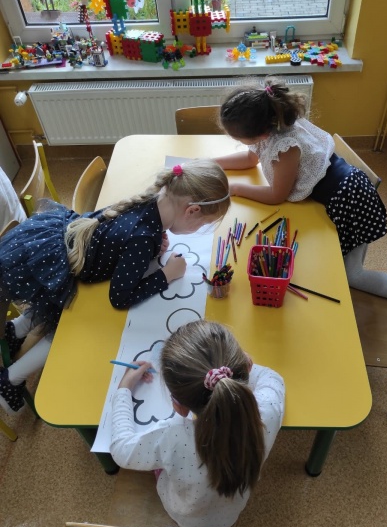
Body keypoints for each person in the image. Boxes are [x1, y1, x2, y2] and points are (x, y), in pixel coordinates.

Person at [215, 75, 387, 330]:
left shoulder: (285, 146)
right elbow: (250, 160)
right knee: (331, 263)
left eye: (239, 139)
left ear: (260, 133)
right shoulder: (275, 120)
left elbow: (276, 196)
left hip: (350, 201)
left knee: (352, 275)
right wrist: (212, 163)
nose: (239, 143)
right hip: (344, 191)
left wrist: (236, 188)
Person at [0, 159, 230, 414]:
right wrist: (166, 275)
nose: (199, 229)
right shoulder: (143, 237)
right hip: (61, 266)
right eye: (202, 224)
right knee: (64, 330)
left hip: (58, 244)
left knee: (50, 299)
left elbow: (124, 239)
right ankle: (10, 380)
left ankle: (15, 329)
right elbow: (119, 297)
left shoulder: (152, 201)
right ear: (192, 211)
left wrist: (155, 245)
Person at [110, 319, 285, 527]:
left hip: (185, 515)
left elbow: (120, 449)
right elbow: (273, 379)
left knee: (160, 461)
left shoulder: (171, 437)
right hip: (231, 514)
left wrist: (124, 387)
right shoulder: (265, 414)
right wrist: (242, 365)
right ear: (246, 369)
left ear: (178, 406)